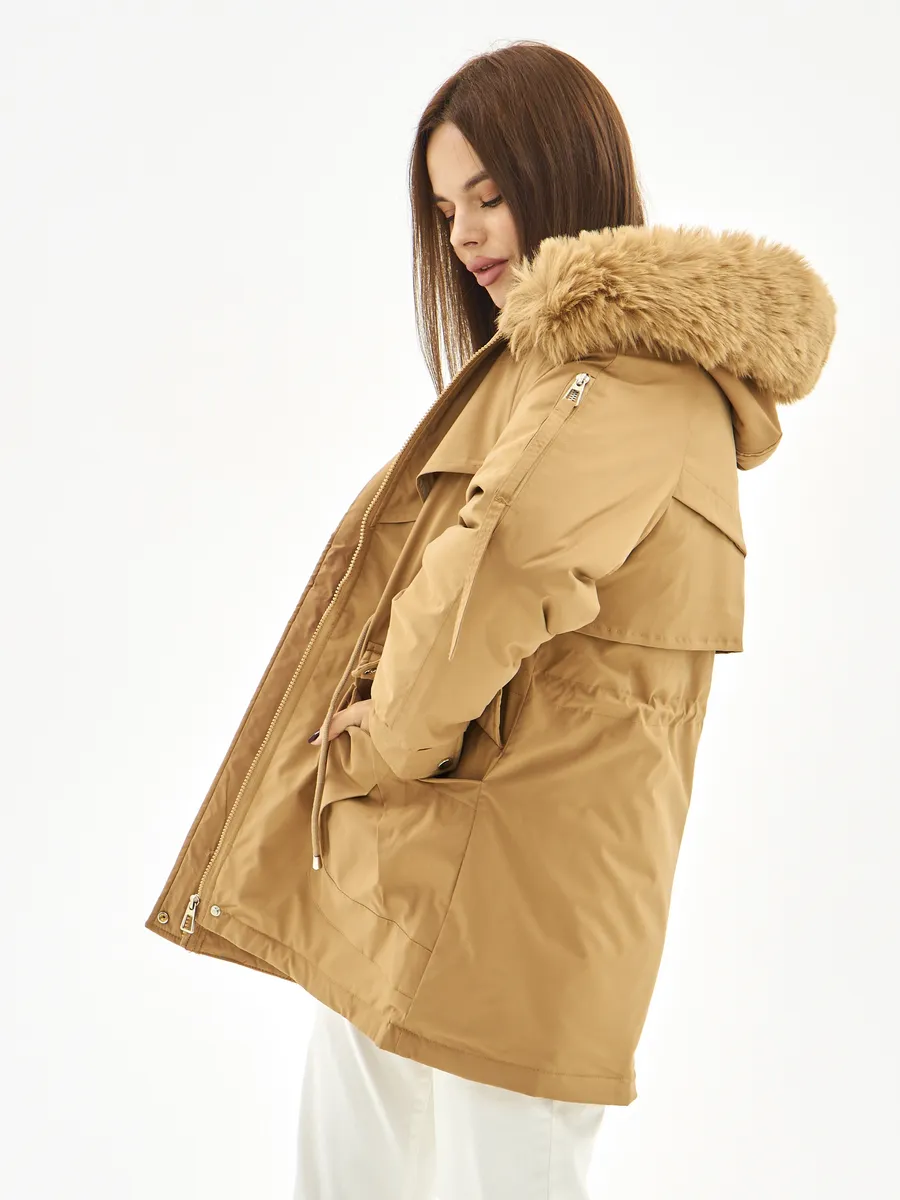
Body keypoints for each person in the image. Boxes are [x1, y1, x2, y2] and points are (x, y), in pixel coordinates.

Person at [145, 40, 837, 1200]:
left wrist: (380, 741)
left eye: (490, 194)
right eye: (443, 208)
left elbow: (493, 576)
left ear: (568, 174)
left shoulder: (622, 380)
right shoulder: (556, 369)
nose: (464, 235)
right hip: (433, 883)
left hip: (513, 916)